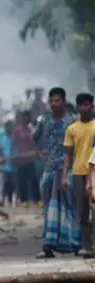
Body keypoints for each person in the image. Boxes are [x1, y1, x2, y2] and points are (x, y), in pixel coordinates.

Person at [33, 87, 80, 258]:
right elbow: (34, 138)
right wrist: (42, 155)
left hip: (71, 167)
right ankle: (48, 244)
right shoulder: (44, 120)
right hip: (51, 168)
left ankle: (76, 244)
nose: (54, 104)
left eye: (57, 100)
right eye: (52, 101)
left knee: (71, 205)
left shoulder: (74, 120)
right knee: (49, 206)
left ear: (64, 102)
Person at [65, 93, 95, 258]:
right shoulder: (72, 129)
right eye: (81, 105)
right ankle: (88, 247)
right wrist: (64, 175)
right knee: (82, 213)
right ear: (77, 107)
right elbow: (68, 155)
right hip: (78, 173)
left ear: (92, 106)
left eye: (87, 104)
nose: (84, 108)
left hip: (94, 174)